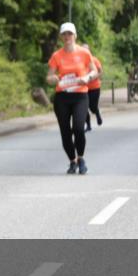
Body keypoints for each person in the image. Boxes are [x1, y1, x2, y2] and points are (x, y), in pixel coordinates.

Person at [46, 23, 98, 174]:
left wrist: (87, 77)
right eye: (64, 34)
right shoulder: (57, 56)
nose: (67, 37)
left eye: (70, 34)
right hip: (62, 97)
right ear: (62, 37)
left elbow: (94, 71)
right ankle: (72, 161)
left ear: (75, 36)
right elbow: (48, 77)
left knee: (78, 128)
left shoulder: (84, 53)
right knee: (65, 132)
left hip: (80, 95)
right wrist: (53, 78)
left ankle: (81, 158)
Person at [80, 43, 103, 132]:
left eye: (86, 50)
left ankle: (96, 113)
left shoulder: (94, 60)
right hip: (84, 88)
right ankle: (88, 125)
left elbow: (100, 72)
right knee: (84, 107)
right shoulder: (79, 62)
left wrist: (93, 77)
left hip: (95, 87)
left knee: (92, 107)